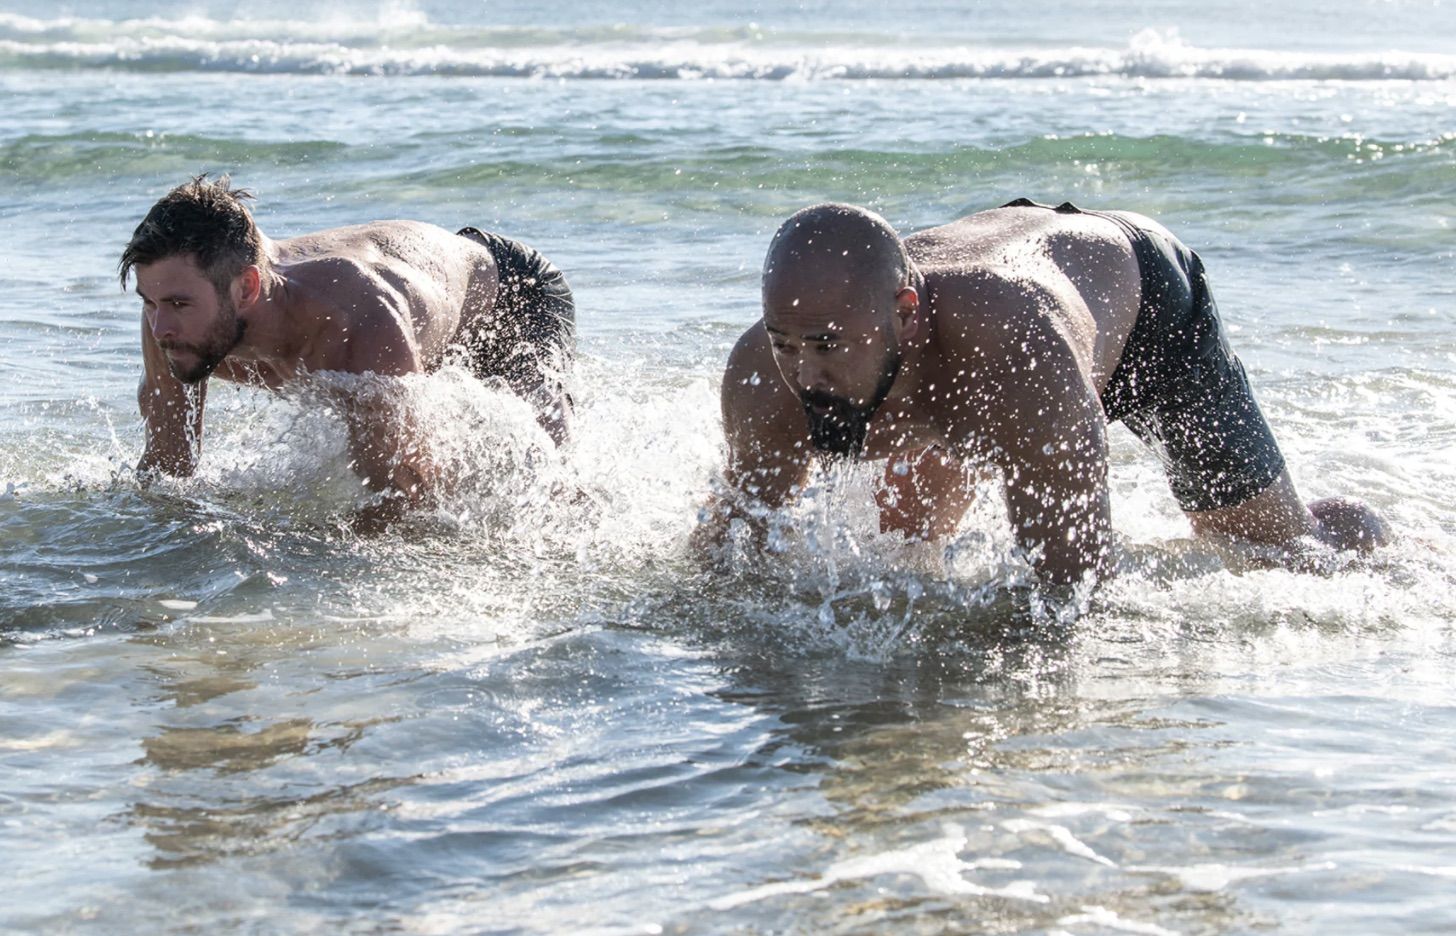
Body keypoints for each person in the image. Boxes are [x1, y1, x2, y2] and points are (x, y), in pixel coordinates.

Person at [698, 199, 1387, 584]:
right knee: (905, 556)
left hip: (1144, 301)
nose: (804, 375)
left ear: (905, 314)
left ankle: (1385, 543)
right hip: (982, 284)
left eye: (824, 346)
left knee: (1275, 551)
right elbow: (728, 559)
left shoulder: (1019, 364)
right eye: (787, 342)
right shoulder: (765, 375)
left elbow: (1075, 592)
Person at [121, 175, 575, 527]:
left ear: (247, 288)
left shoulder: (354, 329)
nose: (160, 327)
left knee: (550, 487)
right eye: (149, 302)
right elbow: (167, 470)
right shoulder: (173, 320)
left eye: (178, 304)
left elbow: (413, 502)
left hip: (513, 297)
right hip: (422, 292)